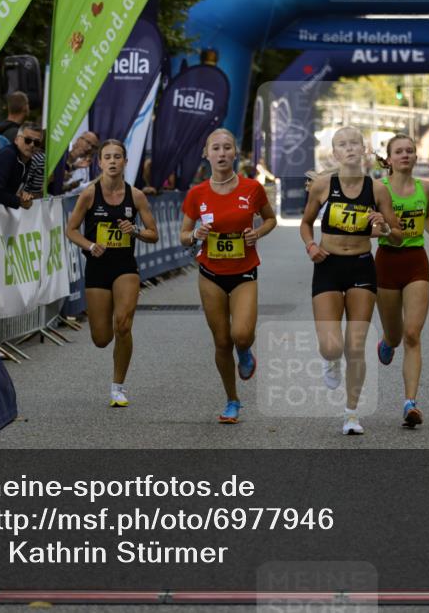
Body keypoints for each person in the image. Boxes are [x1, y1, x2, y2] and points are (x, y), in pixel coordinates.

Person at [300, 126, 402, 436]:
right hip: (328, 265)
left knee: (356, 345)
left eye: (354, 143)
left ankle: (351, 413)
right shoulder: (321, 185)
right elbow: (305, 224)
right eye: (342, 144)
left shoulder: (378, 190)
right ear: (334, 153)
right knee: (332, 347)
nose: (349, 148)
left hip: (361, 266)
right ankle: (330, 361)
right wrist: (311, 246)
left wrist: (383, 227)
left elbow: (397, 237)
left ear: (364, 148)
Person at [179, 129, 277, 424]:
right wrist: (195, 234)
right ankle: (232, 400)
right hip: (210, 273)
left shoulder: (252, 189)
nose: (221, 154)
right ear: (206, 154)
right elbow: (183, 235)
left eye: (227, 148)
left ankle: (245, 353)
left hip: (244, 271)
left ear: (235, 153)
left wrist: (257, 232)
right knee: (222, 341)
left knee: (241, 335)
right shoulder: (197, 194)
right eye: (216, 148)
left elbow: (271, 219)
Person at [66, 140, 159, 407]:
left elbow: (154, 234)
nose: (113, 161)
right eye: (108, 157)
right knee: (101, 338)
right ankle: (105, 326)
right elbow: (71, 230)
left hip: (125, 266)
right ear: (100, 163)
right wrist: (90, 245)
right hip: (97, 266)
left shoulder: (136, 196)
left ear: (125, 162)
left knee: (123, 324)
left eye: (118, 156)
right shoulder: (89, 194)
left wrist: (137, 231)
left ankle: (118, 387)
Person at [374, 135, 429, 429]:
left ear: (416, 157)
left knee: (413, 334)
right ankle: (387, 341)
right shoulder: (379, 189)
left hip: (416, 261)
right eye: (399, 151)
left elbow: (428, 216)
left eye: (410, 151)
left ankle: (410, 403)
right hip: (387, 263)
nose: (405, 155)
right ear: (389, 159)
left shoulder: (426, 188)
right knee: (395, 335)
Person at [0, 124, 41, 209]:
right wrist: (19, 201)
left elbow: (10, 189)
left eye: (37, 142)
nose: (32, 145)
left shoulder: (27, 160)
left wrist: (23, 195)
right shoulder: (8, 155)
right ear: (16, 140)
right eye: (27, 140)